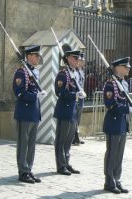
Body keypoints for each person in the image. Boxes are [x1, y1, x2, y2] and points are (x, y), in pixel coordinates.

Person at [12, 45, 47, 184]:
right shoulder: (21, 72)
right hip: (25, 112)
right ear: (29, 56)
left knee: (31, 144)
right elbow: (19, 92)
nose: (38, 58)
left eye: (38, 56)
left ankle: (29, 169)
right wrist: (35, 96)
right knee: (23, 144)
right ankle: (23, 171)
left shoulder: (35, 72)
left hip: (33, 112)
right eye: (36, 55)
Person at [103, 57, 132, 194]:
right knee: (112, 153)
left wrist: (130, 108)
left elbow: (125, 101)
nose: (128, 69)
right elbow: (111, 105)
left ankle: (117, 179)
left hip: (122, 123)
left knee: (120, 154)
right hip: (113, 122)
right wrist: (127, 109)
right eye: (126, 66)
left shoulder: (125, 83)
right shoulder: (110, 84)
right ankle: (109, 181)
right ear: (118, 68)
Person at [54, 48, 85, 176]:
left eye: (78, 58)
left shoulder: (76, 73)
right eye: (75, 58)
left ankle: (66, 162)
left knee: (69, 139)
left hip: (74, 110)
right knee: (61, 139)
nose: (78, 60)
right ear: (68, 58)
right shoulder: (63, 74)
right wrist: (74, 94)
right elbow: (59, 92)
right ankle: (60, 165)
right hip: (65, 110)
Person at [72, 52, 86, 145]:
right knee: (74, 117)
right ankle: (74, 136)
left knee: (78, 117)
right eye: (81, 60)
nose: (82, 62)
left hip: (81, 97)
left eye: (82, 60)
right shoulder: (74, 72)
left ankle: (76, 135)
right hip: (76, 97)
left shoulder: (81, 71)